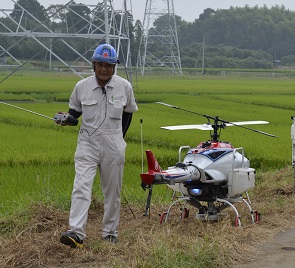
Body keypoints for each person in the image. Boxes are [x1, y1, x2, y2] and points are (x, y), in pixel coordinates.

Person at [58, 43, 138, 248]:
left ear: (114, 67)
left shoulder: (124, 86)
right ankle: (76, 233)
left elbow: (128, 113)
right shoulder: (81, 86)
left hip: (114, 143)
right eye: (100, 64)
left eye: (109, 65)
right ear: (93, 65)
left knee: (112, 192)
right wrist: (66, 119)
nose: (104, 69)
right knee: (81, 187)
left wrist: (119, 138)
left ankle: (110, 232)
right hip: (87, 142)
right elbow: (74, 113)